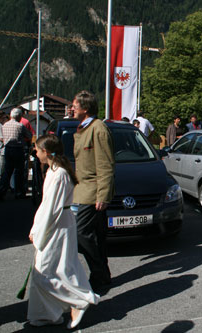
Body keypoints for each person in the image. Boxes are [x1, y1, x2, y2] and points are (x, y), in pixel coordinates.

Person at [27, 134, 99, 329]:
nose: (35, 152)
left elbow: (51, 208)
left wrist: (38, 231)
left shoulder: (59, 174)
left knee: (44, 271)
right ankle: (47, 314)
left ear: (46, 152)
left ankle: (78, 301)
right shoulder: (54, 171)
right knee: (59, 268)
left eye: (37, 149)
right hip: (58, 223)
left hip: (56, 226)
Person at [72, 90, 115, 291]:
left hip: (93, 193)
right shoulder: (82, 128)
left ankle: (98, 272)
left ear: (85, 109)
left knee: (81, 233)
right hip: (83, 190)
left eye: (75, 105)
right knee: (97, 235)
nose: (72, 108)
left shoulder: (98, 129)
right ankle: (102, 277)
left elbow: (105, 164)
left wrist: (103, 195)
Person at [0, 108, 32, 199]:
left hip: (7, 149)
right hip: (18, 149)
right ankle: (18, 192)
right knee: (19, 171)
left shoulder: (5, 125)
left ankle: (1, 190)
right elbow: (29, 136)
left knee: (7, 171)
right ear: (18, 116)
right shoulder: (20, 126)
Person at [0, 111, 6, 181]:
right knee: (1, 170)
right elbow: (1, 138)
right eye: (4, 117)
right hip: (1, 151)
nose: (5, 119)